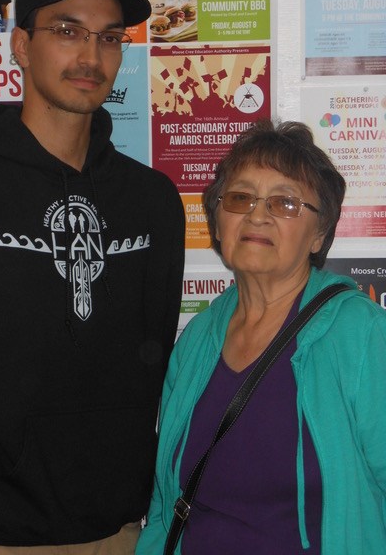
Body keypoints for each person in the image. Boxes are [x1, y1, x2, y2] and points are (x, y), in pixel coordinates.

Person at [0, 0, 185, 555]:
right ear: (21, 45)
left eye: (109, 38)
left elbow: (153, 362)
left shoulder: (153, 204)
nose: (91, 57)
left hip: (116, 535)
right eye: (67, 31)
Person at [136, 120, 386, 555]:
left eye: (285, 202)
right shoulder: (196, 342)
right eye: (240, 197)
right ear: (217, 220)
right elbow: (164, 505)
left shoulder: (361, 335)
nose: (257, 214)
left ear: (320, 233)